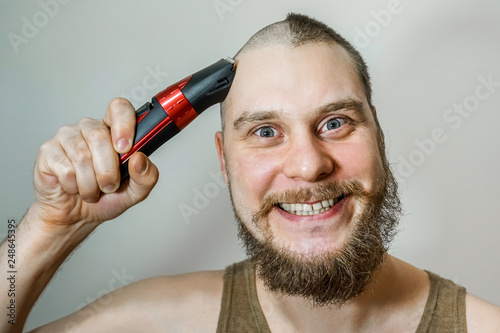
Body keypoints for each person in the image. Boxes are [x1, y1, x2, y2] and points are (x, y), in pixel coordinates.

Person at [2, 13, 499, 333]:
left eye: (335, 122)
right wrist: (51, 228)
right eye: (265, 132)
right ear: (223, 160)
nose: (308, 165)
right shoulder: (153, 323)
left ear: (378, 138)